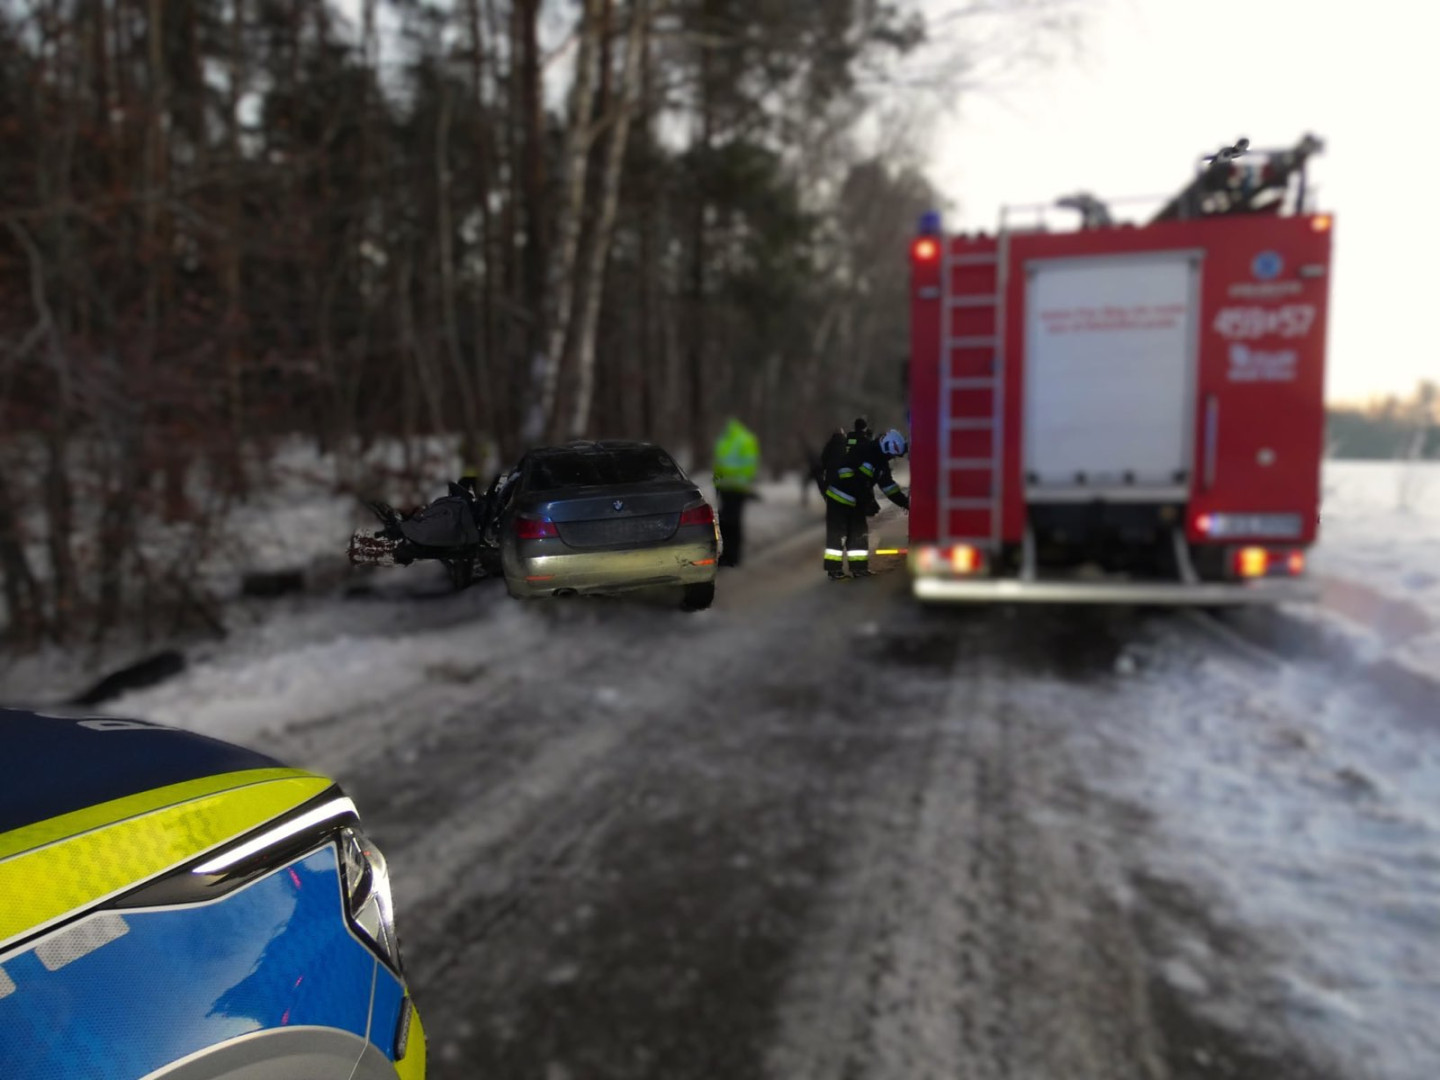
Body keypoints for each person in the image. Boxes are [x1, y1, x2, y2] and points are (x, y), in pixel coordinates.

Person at [820, 420, 909, 580]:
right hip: (838, 498)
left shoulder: (881, 461)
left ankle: (859, 568)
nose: (891, 458)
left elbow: (888, 486)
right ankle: (834, 570)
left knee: (858, 534)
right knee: (837, 534)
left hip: (856, 501)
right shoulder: (864, 449)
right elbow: (845, 471)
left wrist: (905, 503)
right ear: (888, 448)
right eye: (892, 455)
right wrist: (864, 496)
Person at [712, 416, 760, 567]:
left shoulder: (735, 440)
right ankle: (730, 555)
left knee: (731, 523)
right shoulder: (738, 440)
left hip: (732, 489)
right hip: (732, 488)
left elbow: (746, 465)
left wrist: (718, 482)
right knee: (729, 523)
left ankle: (733, 556)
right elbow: (720, 463)